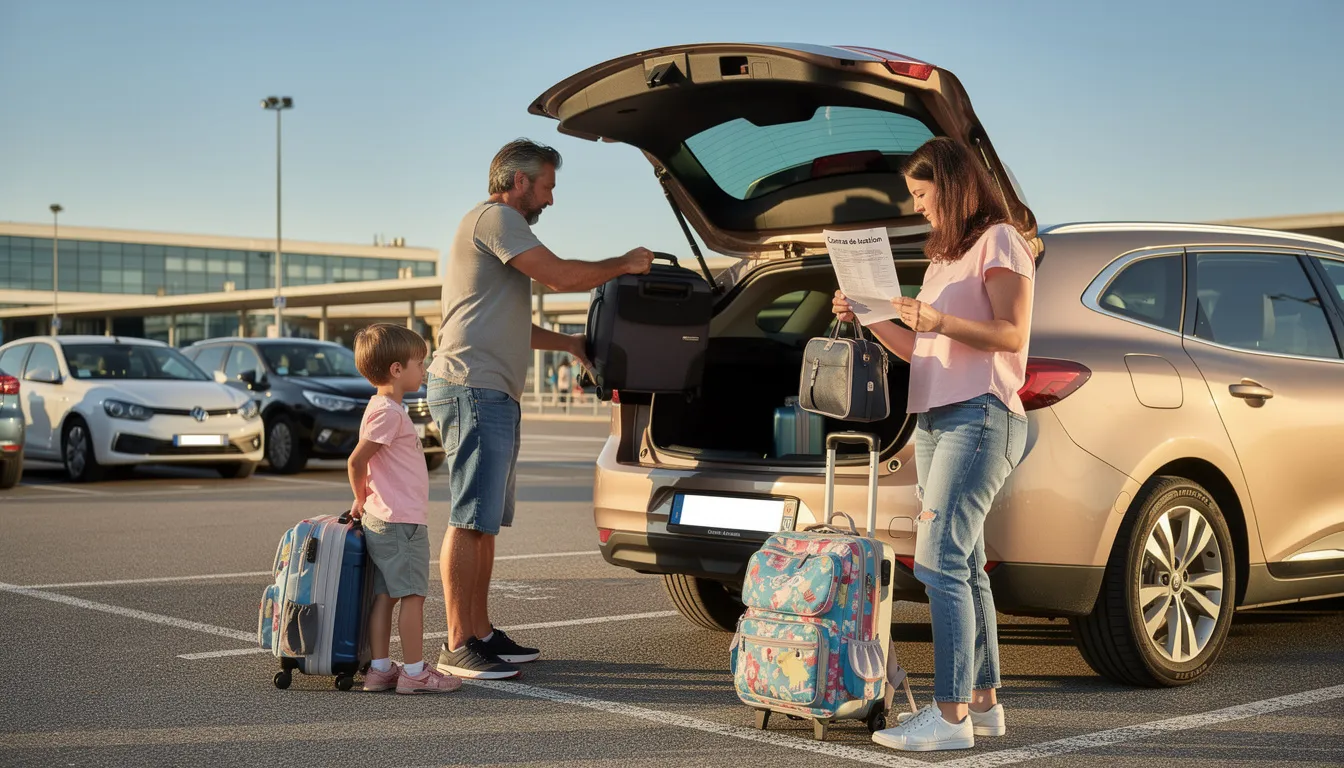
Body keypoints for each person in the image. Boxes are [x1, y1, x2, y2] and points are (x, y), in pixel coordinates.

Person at [832, 137, 1037, 751]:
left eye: (922, 195)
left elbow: (1011, 332)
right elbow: (921, 350)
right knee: (965, 564)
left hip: (981, 415)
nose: (917, 207)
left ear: (952, 186)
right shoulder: (944, 260)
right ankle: (983, 703)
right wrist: (870, 315)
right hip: (937, 417)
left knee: (937, 561)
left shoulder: (1000, 239)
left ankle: (949, 719)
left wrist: (938, 319)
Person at [428, 138, 655, 679]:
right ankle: (458, 641)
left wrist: (571, 344)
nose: (551, 199)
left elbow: (509, 326)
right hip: (473, 388)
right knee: (469, 518)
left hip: (490, 390)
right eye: (548, 186)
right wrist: (625, 262)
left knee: (485, 523)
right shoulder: (497, 219)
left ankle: (480, 632)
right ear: (519, 180)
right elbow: (561, 276)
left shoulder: (498, 232)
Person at [347, 323, 461, 694]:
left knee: (386, 596)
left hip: (387, 519)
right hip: (401, 523)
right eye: (418, 363)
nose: (424, 370)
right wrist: (360, 498)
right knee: (413, 596)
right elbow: (356, 461)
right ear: (397, 370)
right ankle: (414, 672)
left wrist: (365, 500)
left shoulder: (383, 407)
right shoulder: (390, 413)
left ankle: (381, 669)